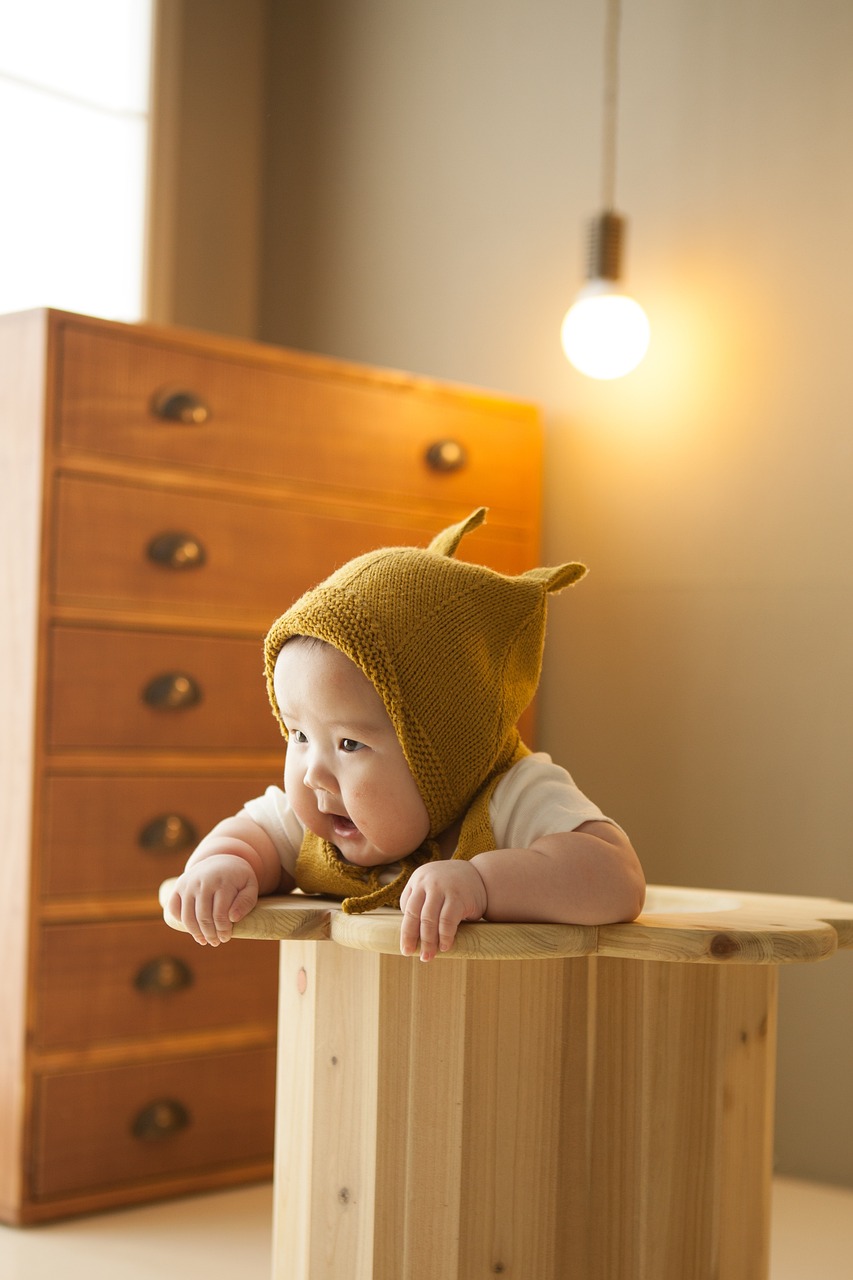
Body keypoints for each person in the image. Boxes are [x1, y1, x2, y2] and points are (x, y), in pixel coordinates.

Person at [168, 507, 645, 961]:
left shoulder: (509, 797)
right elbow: (249, 837)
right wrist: (219, 867)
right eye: (298, 735)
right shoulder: (317, 820)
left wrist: (483, 882)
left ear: (444, 753)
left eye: (349, 743)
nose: (314, 774)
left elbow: (617, 878)